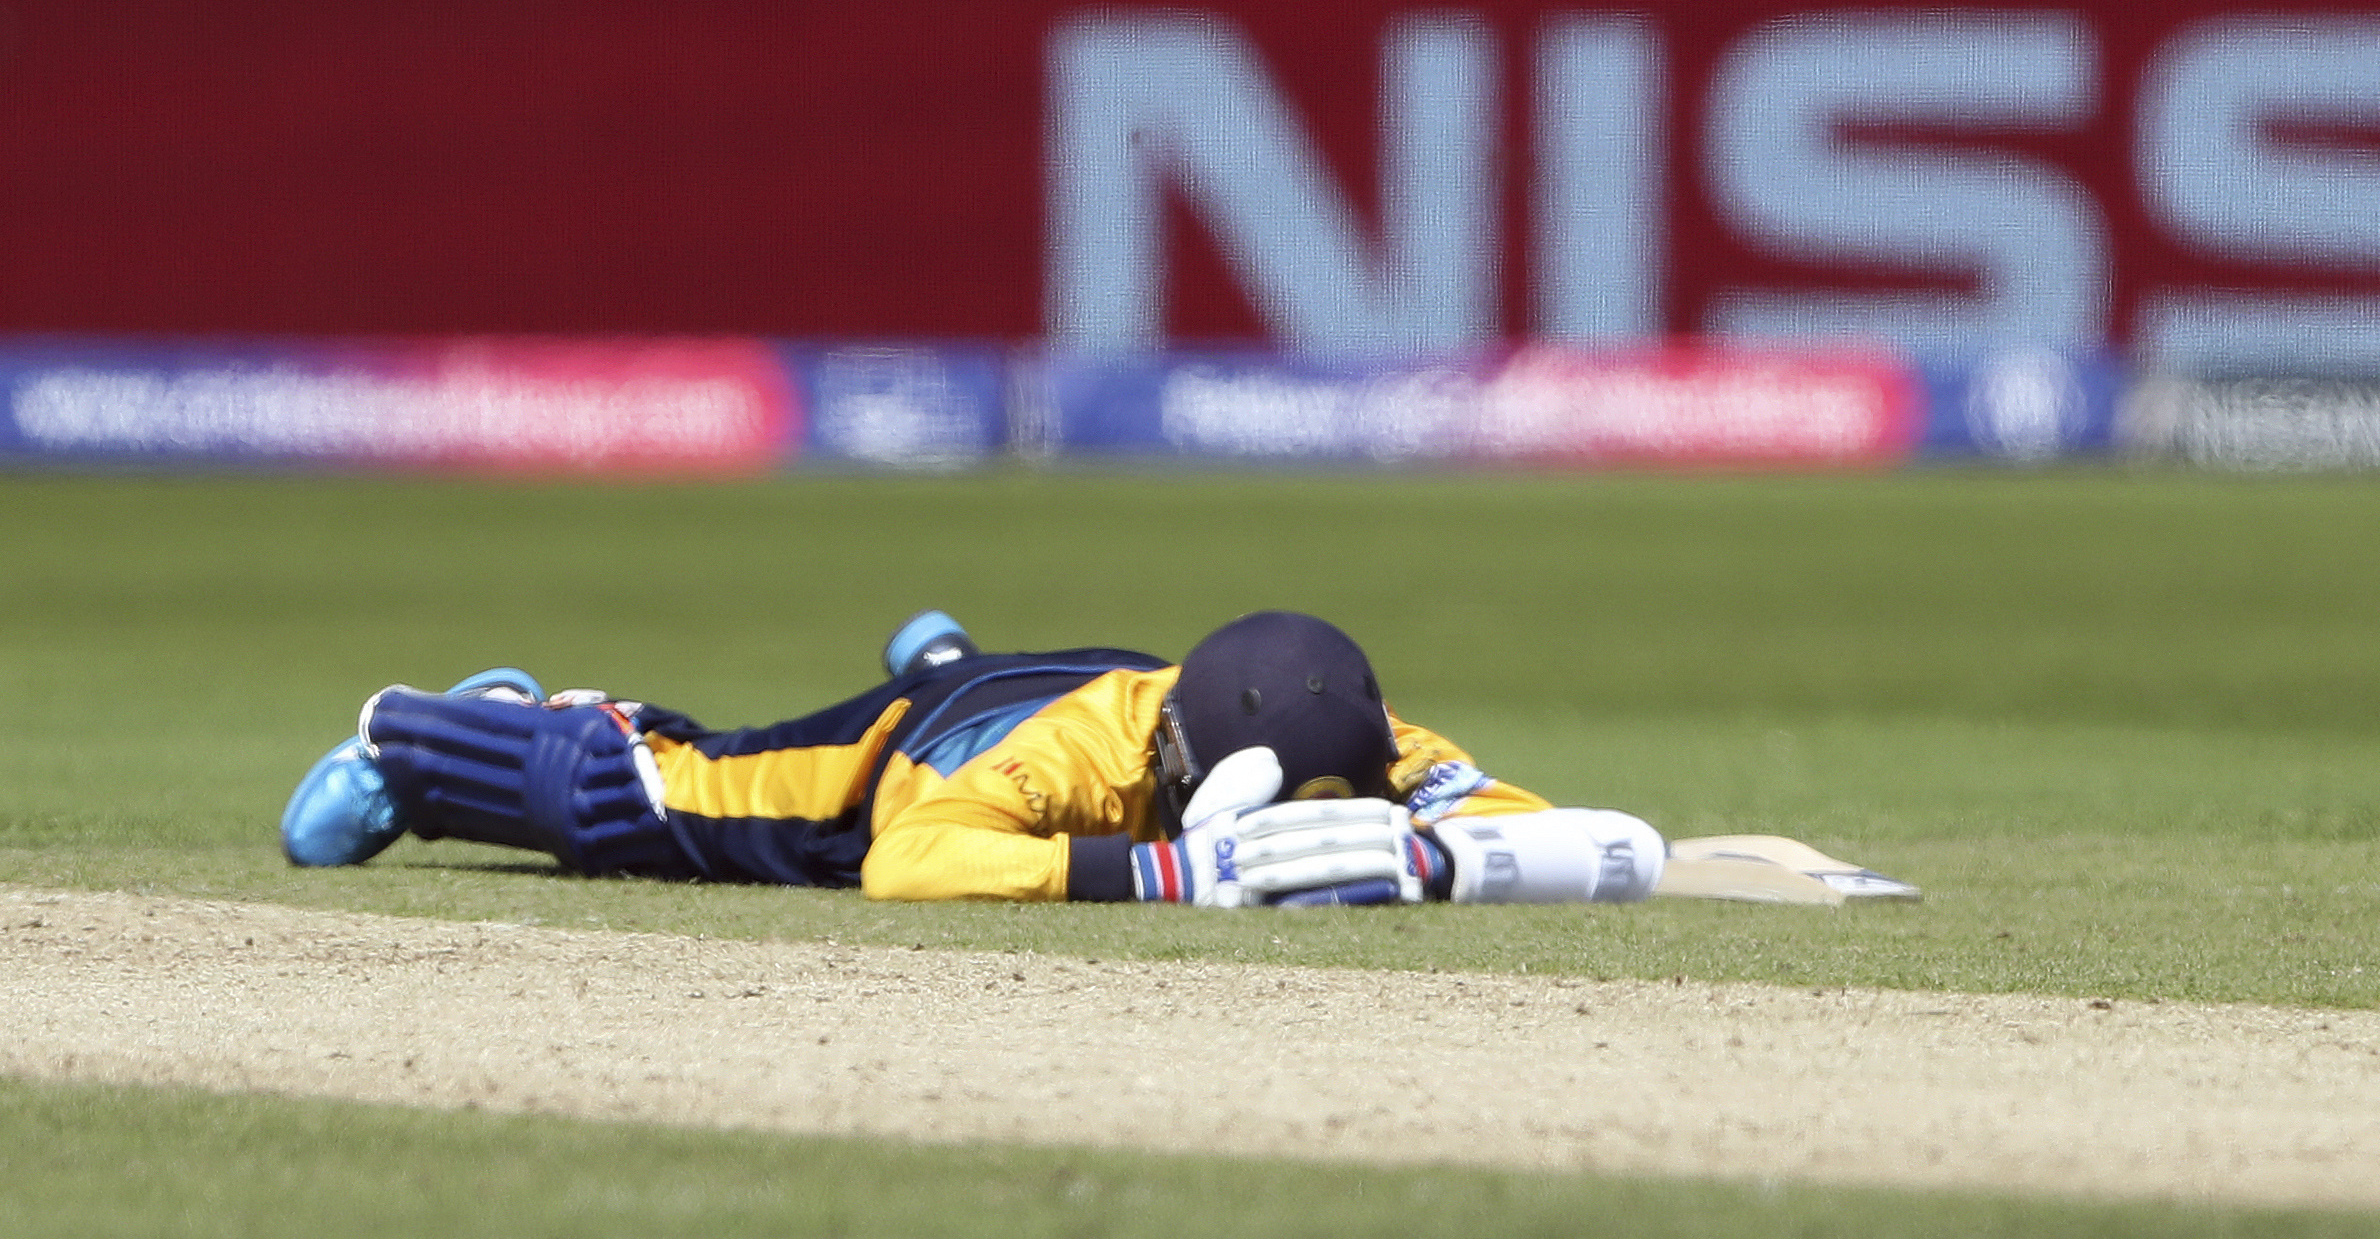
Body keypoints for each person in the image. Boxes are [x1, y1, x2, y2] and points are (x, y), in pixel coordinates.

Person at [279, 608, 1665, 908]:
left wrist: (1438, 851)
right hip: (897, 771)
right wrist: (1168, 873)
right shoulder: (1082, 761)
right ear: (1182, 759)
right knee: (652, 797)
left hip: (1023, 682)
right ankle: (469, 728)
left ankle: (941, 651)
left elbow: (1499, 805)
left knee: (949, 671)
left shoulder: (1345, 727)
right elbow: (912, 860)